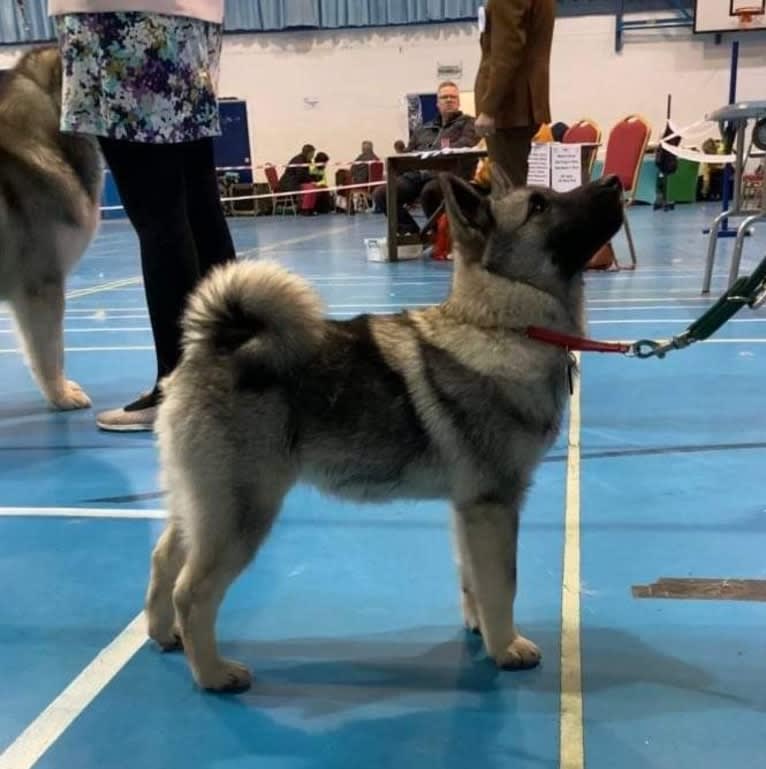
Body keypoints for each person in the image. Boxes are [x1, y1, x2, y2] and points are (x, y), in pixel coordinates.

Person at [49, 1, 236, 431]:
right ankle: (233, 371)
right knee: (197, 206)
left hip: (117, 17)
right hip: (189, 21)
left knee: (159, 215)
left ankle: (179, 388)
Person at [373, 81, 478, 235]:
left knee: (429, 192)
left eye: (453, 97)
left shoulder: (469, 123)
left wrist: (428, 154)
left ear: (458, 102)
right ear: (437, 103)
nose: (449, 100)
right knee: (382, 194)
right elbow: (408, 153)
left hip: (446, 176)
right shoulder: (423, 128)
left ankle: (437, 235)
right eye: (444, 97)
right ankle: (414, 234)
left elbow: (466, 144)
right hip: (416, 176)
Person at [474, 0, 556, 186]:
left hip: (509, 107)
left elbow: (507, 53)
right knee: (514, 186)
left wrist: (489, 108)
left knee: (509, 193)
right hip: (519, 104)